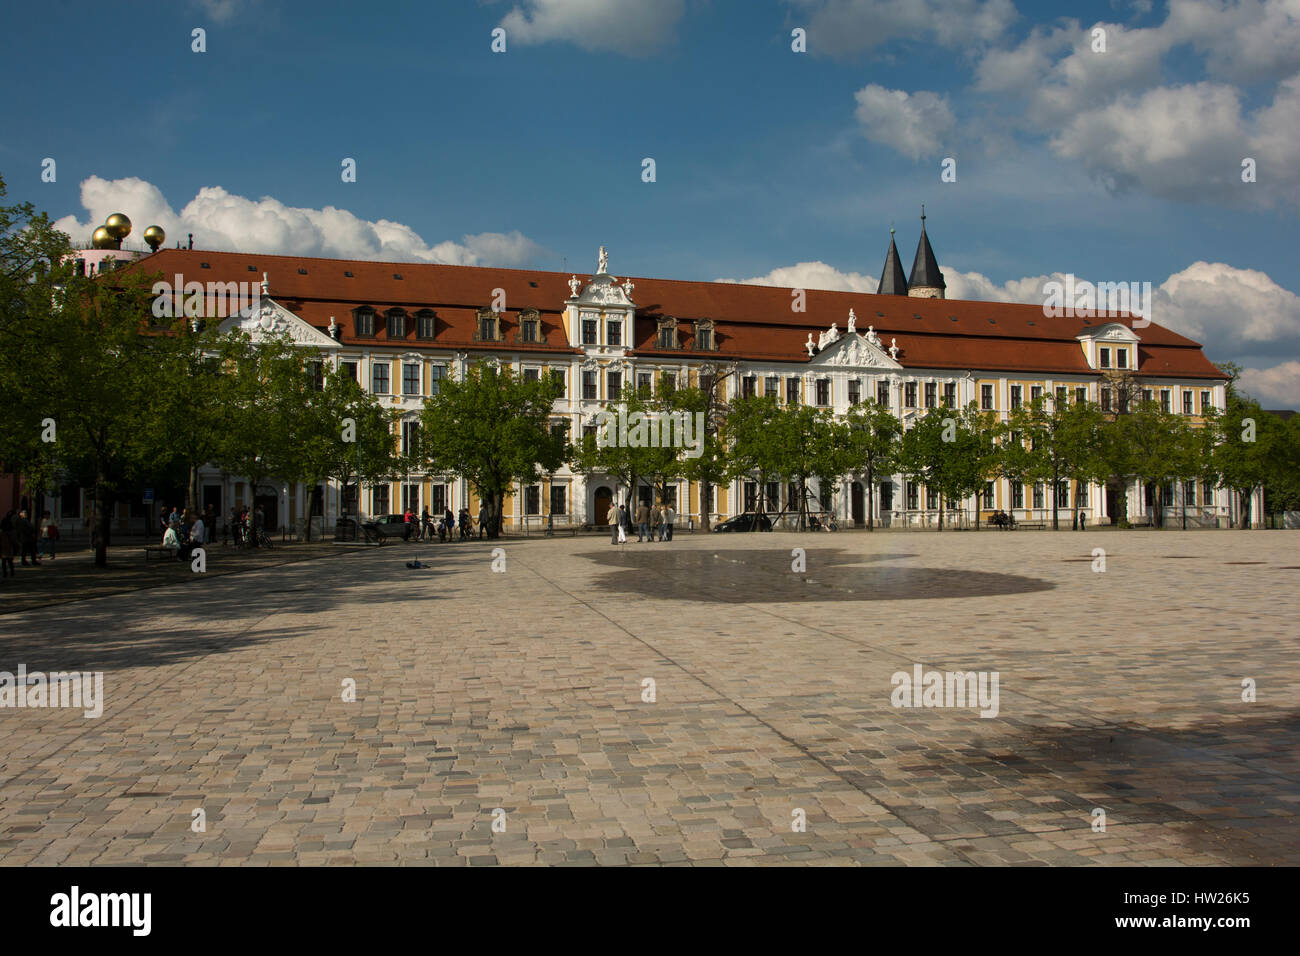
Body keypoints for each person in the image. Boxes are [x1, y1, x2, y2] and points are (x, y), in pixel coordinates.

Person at [0, 510, 16, 579]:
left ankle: (5, 573)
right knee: (9, 560)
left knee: (4, 560)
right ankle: (11, 572)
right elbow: (13, 541)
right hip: (8, 546)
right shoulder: (11, 532)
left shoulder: (2, 533)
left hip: (3, 546)